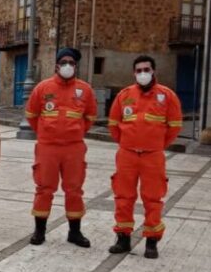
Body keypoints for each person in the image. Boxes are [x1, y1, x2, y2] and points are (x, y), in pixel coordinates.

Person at [107, 54, 183, 259]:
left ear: (153, 71)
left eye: (146, 70)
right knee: (123, 197)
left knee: (153, 199)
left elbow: (174, 126)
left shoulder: (167, 96)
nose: (143, 74)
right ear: (134, 73)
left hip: (153, 156)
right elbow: (113, 125)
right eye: (139, 70)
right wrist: (126, 143)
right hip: (127, 155)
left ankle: (152, 241)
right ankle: (123, 238)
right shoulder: (124, 95)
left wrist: (157, 144)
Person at [25, 47, 97, 247]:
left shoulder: (85, 90)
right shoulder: (42, 88)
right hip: (48, 147)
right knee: (44, 189)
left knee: (74, 190)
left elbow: (90, 117)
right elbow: (31, 116)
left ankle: (75, 232)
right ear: (57, 65)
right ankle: (39, 232)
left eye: (71, 63)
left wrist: (75, 132)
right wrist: (47, 132)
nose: (68, 66)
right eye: (64, 62)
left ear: (76, 66)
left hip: (73, 148)